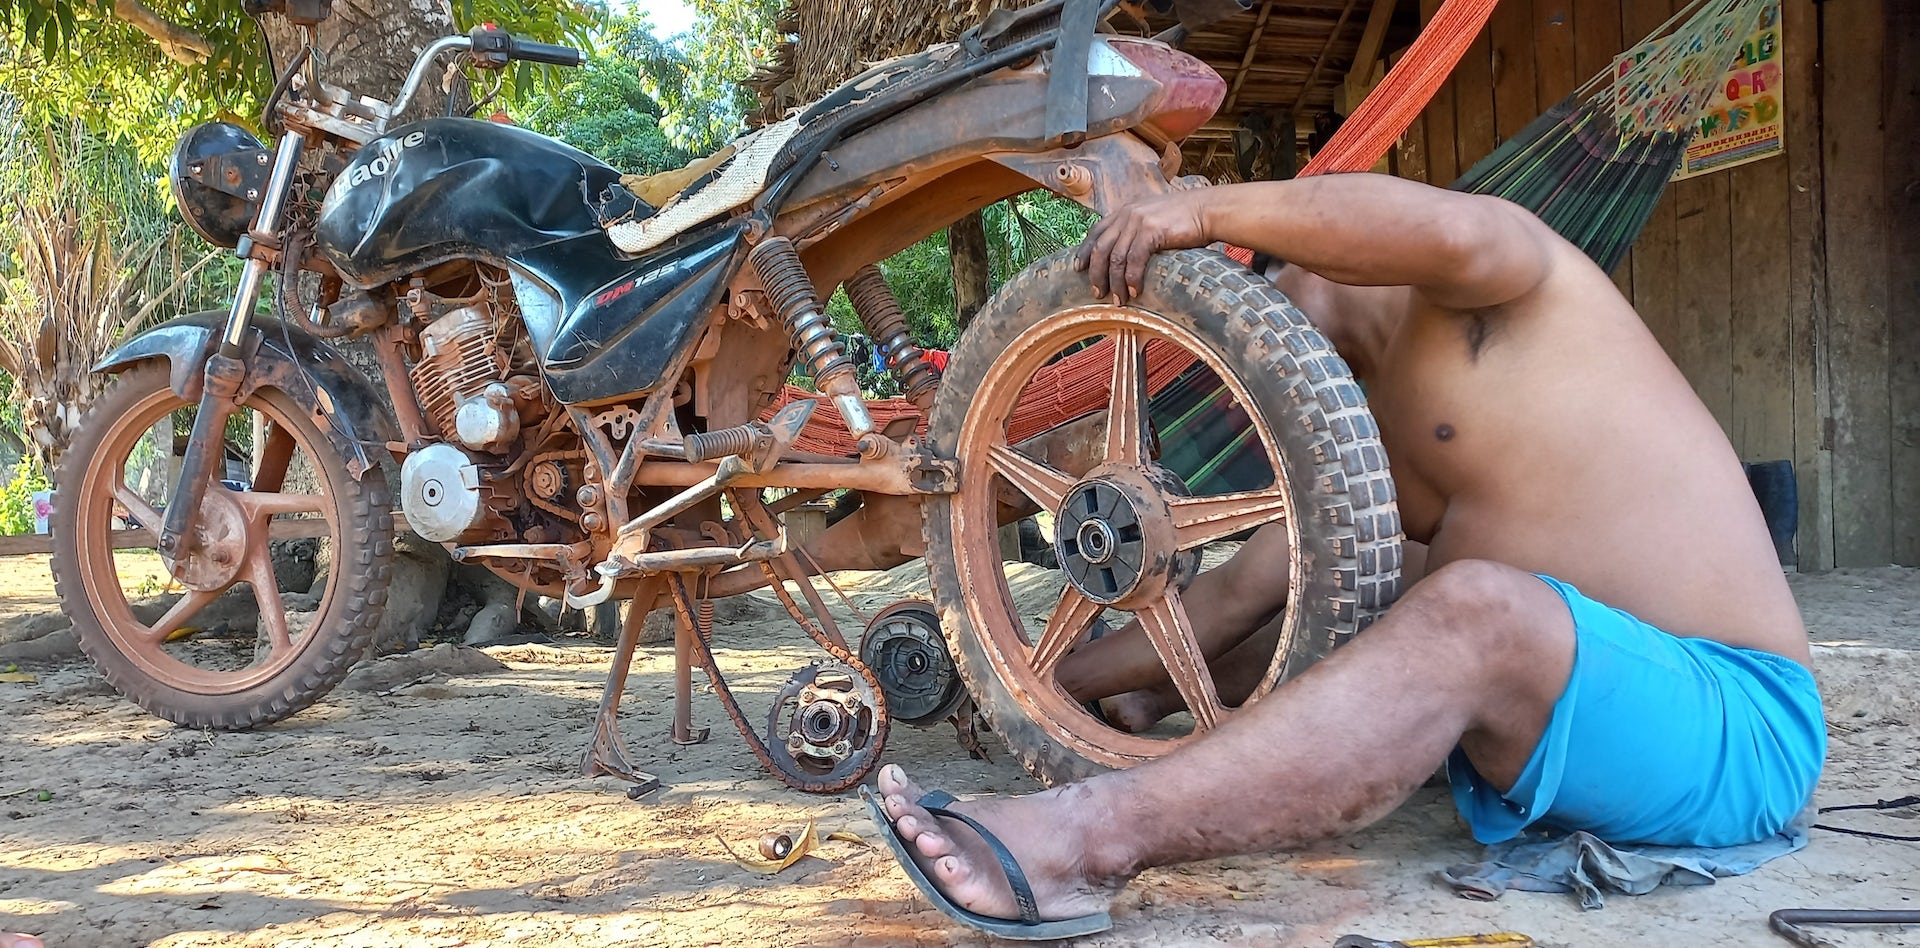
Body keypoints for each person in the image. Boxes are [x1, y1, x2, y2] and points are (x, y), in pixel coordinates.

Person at [867, 173, 1824, 938]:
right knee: (1344, 589)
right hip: (1581, 725)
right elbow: (1250, 586)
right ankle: (1140, 707)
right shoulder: (1364, 435)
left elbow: (1447, 231)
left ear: (1317, 253)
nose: (1257, 323)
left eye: (1265, 281)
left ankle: (1085, 842)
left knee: (1474, 611)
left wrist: (1201, 210)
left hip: (1734, 727)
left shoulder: (1503, 280)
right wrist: (1021, 687)